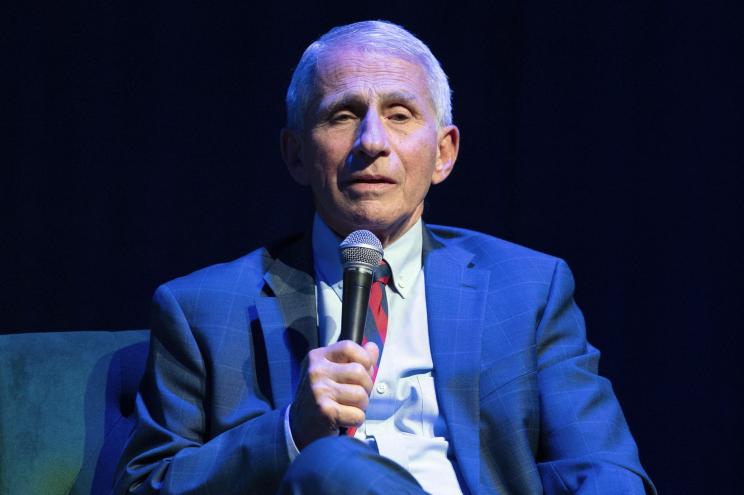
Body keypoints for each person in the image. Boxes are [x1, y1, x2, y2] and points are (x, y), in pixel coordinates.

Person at [114, 20, 655, 495]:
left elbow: (602, 468)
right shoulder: (201, 309)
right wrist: (289, 433)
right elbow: (144, 485)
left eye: (399, 115)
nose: (372, 141)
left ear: (443, 153)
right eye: (343, 115)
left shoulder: (528, 287)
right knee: (330, 463)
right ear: (296, 154)